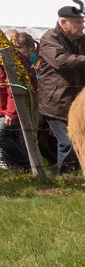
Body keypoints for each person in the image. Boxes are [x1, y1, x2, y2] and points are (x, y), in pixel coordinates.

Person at [36, 5, 85, 174]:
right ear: (64, 23)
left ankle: (72, 172)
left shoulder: (82, 39)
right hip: (57, 102)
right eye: (78, 22)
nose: (83, 26)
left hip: (78, 100)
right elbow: (63, 61)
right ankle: (65, 177)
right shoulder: (49, 39)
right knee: (68, 142)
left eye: (83, 22)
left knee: (80, 140)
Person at [1, 33, 38, 170]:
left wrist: (11, 112)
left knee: (3, 134)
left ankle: (25, 164)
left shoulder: (10, 60)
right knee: (13, 138)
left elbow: (14, 86)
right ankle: (17, 168)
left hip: (11, 110)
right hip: (4, 108)